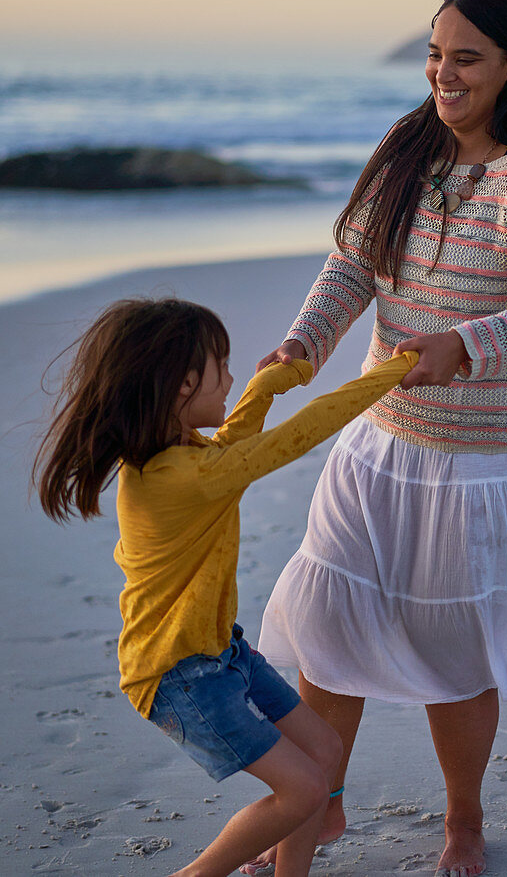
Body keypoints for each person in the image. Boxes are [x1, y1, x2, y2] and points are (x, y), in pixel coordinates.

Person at [248, 0, 507, 877]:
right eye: (436, 54)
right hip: (383, 433)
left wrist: (463, 345)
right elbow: (352, 264)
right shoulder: (408, 147)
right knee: (326, 625)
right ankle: (320, 801)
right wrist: (302, 345)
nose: (444, 74)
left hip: (484, 454)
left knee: (452, 652)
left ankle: (463, 822)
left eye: (466, 58)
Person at [33, 296, 418, 877]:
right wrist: (393, 371)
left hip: (219, 652)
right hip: (177, 674)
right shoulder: (181, 478)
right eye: (223, 367)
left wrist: (272, 381)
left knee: (324, 753)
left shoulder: (179, 453)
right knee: (304, 788)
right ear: (184, 384)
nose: (232, 378)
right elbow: (296, 437)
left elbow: (237, 436)